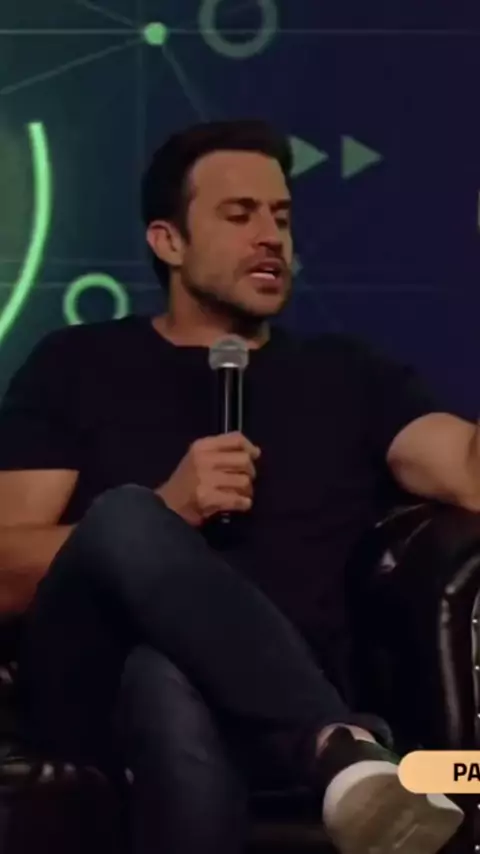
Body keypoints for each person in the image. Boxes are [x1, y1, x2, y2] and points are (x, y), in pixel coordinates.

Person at [0, 118, 474, 854]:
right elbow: (4, 570)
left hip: (265, 696)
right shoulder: (77, 364)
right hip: (92, 694)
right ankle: (339, 749)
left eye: (280, 217)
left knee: (169, 672)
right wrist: (170, 510)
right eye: (239, 214)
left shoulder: (348, 375)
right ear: (169, 241)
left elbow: (467, 470)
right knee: (128, 515)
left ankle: (320, 743)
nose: (270, 237)